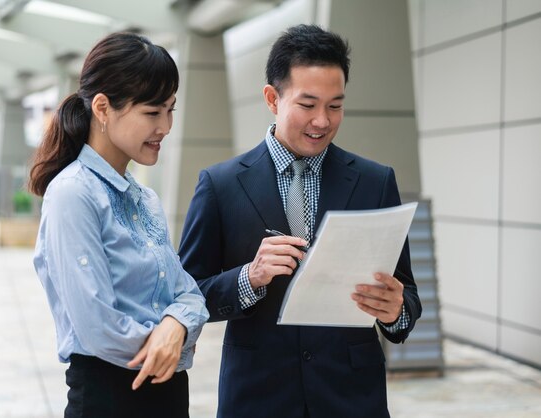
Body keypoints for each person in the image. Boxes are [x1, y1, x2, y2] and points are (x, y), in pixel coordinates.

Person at [178, 24, 421, 418]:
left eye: (335, 105)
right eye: (308, 105)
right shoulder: (219, 185)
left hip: (352, 398)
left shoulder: (376, 182)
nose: (322, 121)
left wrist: (396, 311)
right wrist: (249, 277)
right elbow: (187, 293)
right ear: (272, 98)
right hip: (257, 396)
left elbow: (406, 293)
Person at [28, 31, 209, 418]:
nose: (166, 126)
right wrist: (173, 341)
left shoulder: (145, 200)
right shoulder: (72, 194)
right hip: (109, 399)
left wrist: (176, 326)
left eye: (171, 110)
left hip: (169, 398)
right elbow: (97, 325)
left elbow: (189, 294)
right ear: (103, 108)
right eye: (152, 112)